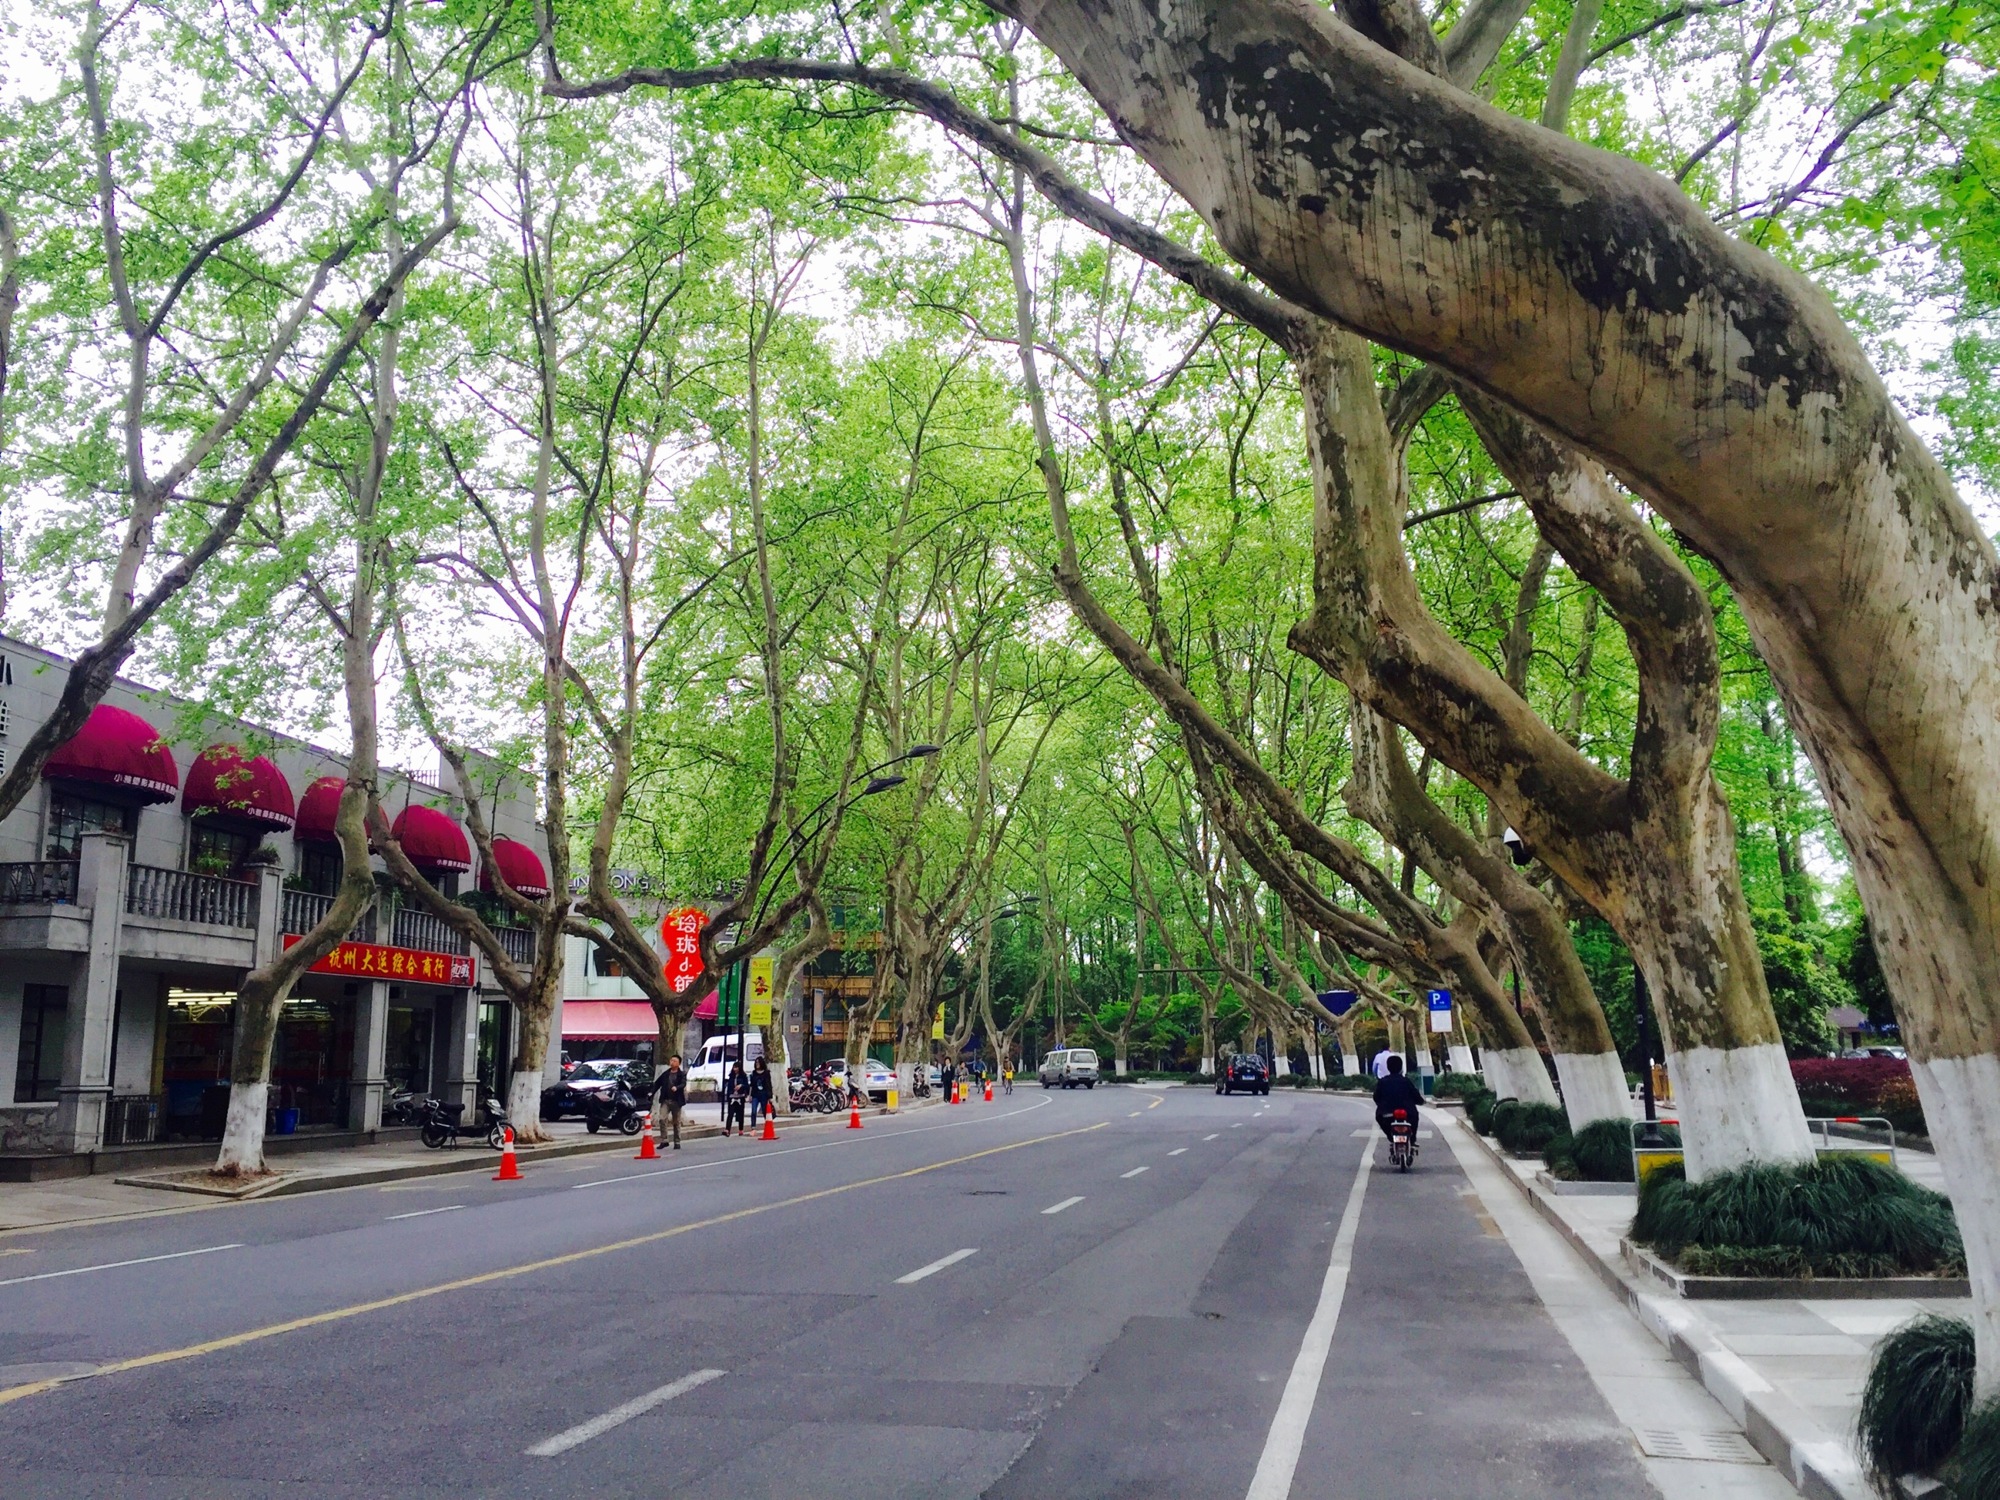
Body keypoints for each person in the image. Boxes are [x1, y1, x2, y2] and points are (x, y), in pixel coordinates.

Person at [1372, 1055, 1423, 1142]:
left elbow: (1376, 1097)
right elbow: (1416, 1095)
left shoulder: (1382, 1082)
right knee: (1415, 1118)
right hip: (1408, 1113)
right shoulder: (1406, 1081)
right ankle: (1412, 1138)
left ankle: (1390, 1136)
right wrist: (1421, 1101)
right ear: (1401, 1067)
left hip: (1386, 1113)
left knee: (1380, 1118)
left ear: (1388, 1067)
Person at [656, 1054, 687, 1149]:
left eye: (674, 1061)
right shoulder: (666, 1074)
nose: (672, 1062)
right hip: (665, 1100)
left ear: (679, 1063)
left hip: (676, 1101)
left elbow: (683, 1083)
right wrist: (651, 1093)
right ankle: (664, 1140)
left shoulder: (681, 1074)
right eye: (671, 1060)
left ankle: (677, 1142)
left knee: (676, 1122)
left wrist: (676, 1088)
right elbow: (657, 1083)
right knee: (662, 1118)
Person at [723, 1061, 748, 1136]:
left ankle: (741, 1129)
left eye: (736, 1067)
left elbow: (747, 1085)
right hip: (732, 1097)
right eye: (734, 1067)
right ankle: (727, 1129)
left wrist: (741, 1086)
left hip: (740, 1096)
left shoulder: (743, 1076)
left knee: (740, 1114)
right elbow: (729, 1086)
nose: (735, 1069)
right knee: (730, 1113)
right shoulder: (731, 1076)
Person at [748, 1056, 773, 1129]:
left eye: (758, 1062)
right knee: (753, 1111)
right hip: (755, 1094)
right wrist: (749, 1095)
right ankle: (753, 1126)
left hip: (764, 1095)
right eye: (756, 1063)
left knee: (765, 1111)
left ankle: (768, 1124)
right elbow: (751, 1085)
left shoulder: (766, 1073)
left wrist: (770, 1096)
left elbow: (769, 1085)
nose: (757, 1064)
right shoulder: (753, 1073)